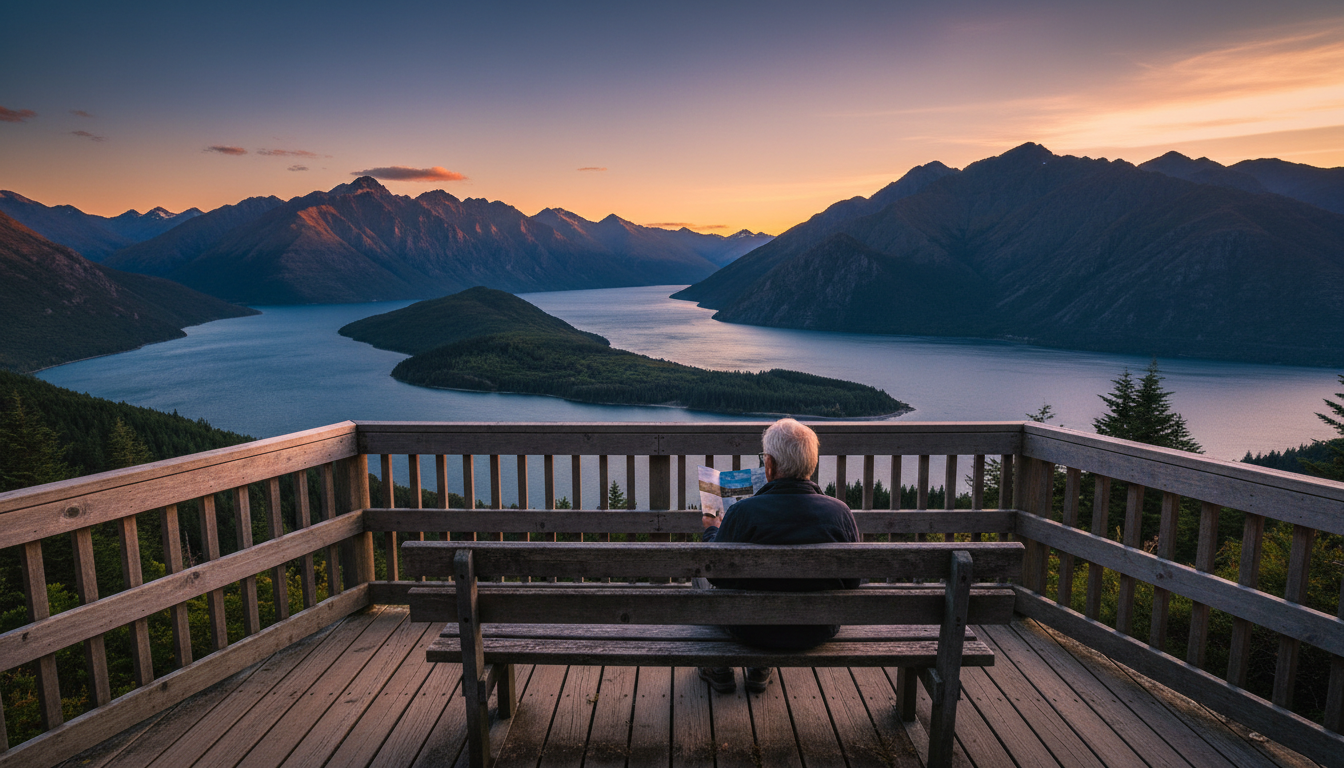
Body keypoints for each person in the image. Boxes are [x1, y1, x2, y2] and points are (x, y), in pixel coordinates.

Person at [698, 418, 860, 694]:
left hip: (752, 630)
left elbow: (716, 574)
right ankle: (760, 669)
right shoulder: (839, 513)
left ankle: (719, 668)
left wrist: (713, 531)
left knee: (701, 579)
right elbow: (853, 581)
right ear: (812, 463)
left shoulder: (743, 513)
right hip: (817, 629)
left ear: (769, 465)